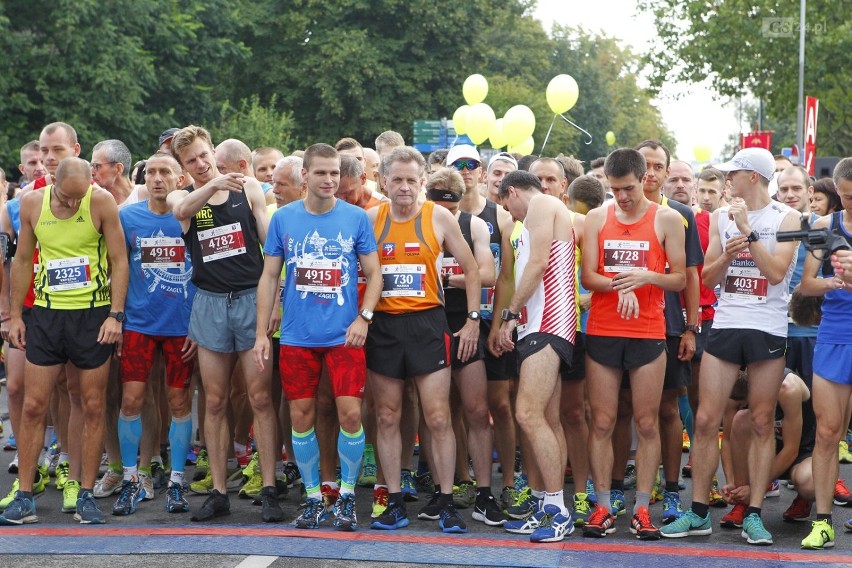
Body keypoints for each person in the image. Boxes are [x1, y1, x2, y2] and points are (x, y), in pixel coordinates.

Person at [661, 147, 799, 545]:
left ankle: (754, 513)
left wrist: (749, 235)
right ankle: (699, 510)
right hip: (726, 324)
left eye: (733, 173)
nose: (727, 180)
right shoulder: (720, 217)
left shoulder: (786, 217)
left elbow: (775, 275)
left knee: (759, 421)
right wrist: (729, 254)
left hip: (767, 328)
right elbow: (707, 277)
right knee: (706, 420)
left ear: (752, 176)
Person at [254, 143, 381, 531]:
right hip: (296, 336)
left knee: (350, 415)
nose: (329, 180)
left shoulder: (356, 218)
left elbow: (375, 275)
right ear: (305, 175)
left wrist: (364, 318)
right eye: (321, 172)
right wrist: (262, 332)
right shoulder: (283, 218)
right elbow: (269, 276)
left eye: (335, 173)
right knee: (301, 417)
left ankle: (345, 497)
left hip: (344, 337)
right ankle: (313, 499)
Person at [0, 157, 128, 525]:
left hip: (92, 315)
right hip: (47, 314)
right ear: (52, 180)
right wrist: (16, 316)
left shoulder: (100, 201)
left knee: (91, 404)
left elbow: (120, 260)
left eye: (79, 198)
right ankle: (25, 495)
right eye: (67, 199)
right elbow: (23, 259)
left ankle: (85, 493)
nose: (73, 205)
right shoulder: (31, 203)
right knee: (34, 405)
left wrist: (115, 316)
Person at [166, 125, 283, 523]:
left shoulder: (248, 189)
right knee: (214, 401)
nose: (199, 164)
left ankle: (269, 487)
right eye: (191, 161)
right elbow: (181, 212)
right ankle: (218, 490)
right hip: (210, 302)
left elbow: (271, 243)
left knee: (260, 397)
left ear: (213, 150)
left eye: (203, 155)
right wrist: (213, 181)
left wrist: (278, 295)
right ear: (183, 167)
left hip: (251, 299)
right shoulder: (184, 195)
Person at [366, 146, 481, 534]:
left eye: (411, 180)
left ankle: (447, 501)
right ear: (383, 181)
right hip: (384, 326)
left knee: (437, 416)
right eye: (396, 180)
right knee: (387, 416)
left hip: (428, 324)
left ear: (422, 182)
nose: (403, 187)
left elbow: (472, 267)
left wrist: (473, 320)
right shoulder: (371, 219)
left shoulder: (439, 217)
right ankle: (394, 500)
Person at [581, 148, 686, 540]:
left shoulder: (667, 218)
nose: (622, 197)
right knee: (604, 420)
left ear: (644, 179)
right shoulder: (596, 217)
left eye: (627, 188)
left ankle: (642, 506)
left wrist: (645, 277)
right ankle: (604, 505)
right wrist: (618, 285)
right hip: (605, 328)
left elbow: (678, 279)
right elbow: (588, 276)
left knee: (646, 421)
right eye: (614, 190)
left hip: (647, 331)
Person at [495, 170, 577, 543]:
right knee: (548, 418)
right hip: (542, 322)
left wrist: (509, 317)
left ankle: (557, 510)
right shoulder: (531, 218)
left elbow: (539, 264)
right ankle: (547, 503)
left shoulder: (542, 203)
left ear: (512, 192)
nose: (510, 215)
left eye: (506, 205)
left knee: (527, 412)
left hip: (548, 321)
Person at [113, 153, 197, 516]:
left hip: (182, 327)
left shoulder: (193, 217)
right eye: (151, 173)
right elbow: (117, 267)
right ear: (143, 178)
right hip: (139, 325)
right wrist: (115, 318)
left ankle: (177, 483)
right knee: (131, 401)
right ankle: (132, 481)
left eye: (166, 172)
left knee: (179, 403)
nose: (158, 178)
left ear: (181, 180)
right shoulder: (126, 216)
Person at [424, 166, 499, 525]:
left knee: (476, 408)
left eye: (450, 209)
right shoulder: (421, 222)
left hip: (465, 323)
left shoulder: (473, 225)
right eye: (438, 206)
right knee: (436, 413)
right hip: (428, 324)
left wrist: (446, 277)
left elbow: (487, 273)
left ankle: (485, 494)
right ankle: (443, 491)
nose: (444, 215)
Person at [799, 157, 852, 549]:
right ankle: (822, 520)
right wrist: (835, 280)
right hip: (834, 333)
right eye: (847, 197)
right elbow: (806, 286)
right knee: (828, 432)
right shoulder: (824, 226)